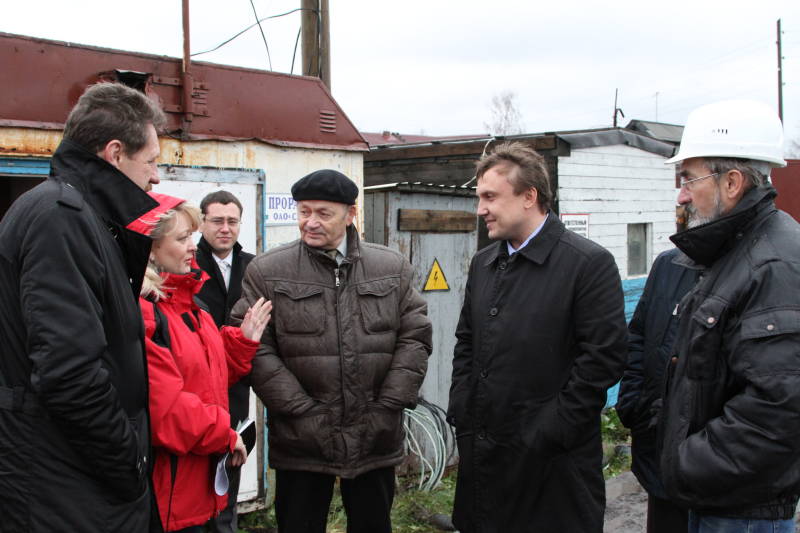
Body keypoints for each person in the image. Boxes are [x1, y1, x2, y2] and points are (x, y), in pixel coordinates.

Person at [0, 82, 165, 532]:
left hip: (77, 481)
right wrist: (130, 462)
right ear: (115, 153)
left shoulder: (82, 217)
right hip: (65, 486)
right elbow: (68, 374)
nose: (156, 177)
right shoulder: (60, 217)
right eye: (151, 161)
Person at [232, 169, 432, 533]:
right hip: (302, 440)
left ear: (350, 214)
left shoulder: (391, 267)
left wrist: (387, 405)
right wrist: (301, 411)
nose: (310, 222)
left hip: (374, 435)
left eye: (323, 213)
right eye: (304, 211)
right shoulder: (268, 271)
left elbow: (415, 337)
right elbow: (255, 347)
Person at [448, 141, 628, 533]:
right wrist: (462, 405)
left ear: (529, 197)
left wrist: (549, 430)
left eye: (490, 197)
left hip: (553, 469)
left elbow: (604, 359)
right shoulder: (484, 263)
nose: (480, 209)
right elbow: (467, 342)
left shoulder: (587, 263)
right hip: (485, 460)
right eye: (479, 197)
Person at [658, 100, 800, 533]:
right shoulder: (740, 249)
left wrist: (687, 463)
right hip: (725, 499)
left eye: (689, 178)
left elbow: (778, 409)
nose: (682, 194)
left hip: (743, 513)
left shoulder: (772, 264)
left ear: (732, 182)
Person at [131, 192, 272, 532]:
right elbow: (167, 409)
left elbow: (209, 376)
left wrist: (242, 343)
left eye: (191, 237)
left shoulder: (191, 306)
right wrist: (223, 435)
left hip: (198, 482)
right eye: (182, 239)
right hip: (170, 488)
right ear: (151, 250)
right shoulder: (147, 312)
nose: (192, 247)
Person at [617, 248, 697, 533]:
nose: (682, 199)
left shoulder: (770, 261)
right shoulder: (669, 263)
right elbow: (639, 334)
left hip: (724, 481)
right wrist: (634, 405)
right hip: (660, 455)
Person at [195, 190, 255, 533]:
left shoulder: (253, 267)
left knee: (231, 462)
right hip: (197, 385)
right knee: (197, 473)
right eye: (217, 221)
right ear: (202, 222)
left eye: (232, 221)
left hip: (237, 386)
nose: (225, 228)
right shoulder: (188, 263)